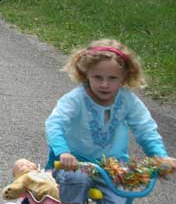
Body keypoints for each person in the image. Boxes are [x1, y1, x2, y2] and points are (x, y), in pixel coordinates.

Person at [44, 39, 176, 203]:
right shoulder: (75, 100)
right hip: (74, 164)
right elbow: (55, 124)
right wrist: (63, 152)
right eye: (97, 77)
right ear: (86, 74)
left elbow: (145, 129)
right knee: (76, 180)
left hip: (112, 167)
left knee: (120, 197)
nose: (104, 84)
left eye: (112, 78)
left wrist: (160, 156)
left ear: (124, 76)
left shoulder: (128, 100)